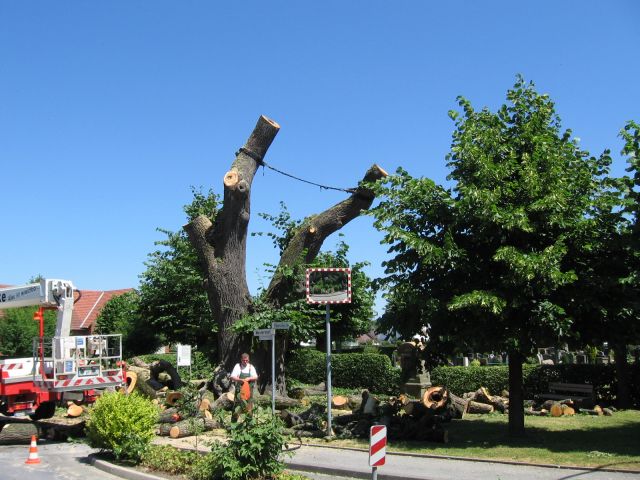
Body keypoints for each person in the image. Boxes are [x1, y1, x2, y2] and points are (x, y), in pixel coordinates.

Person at [230, 352, 258, 421]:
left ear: (248, 360)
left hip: (249, 392)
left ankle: (249, 426)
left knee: (249, 407)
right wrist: (240, 380)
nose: (245, 362)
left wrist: (249, 378)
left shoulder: (251, 367)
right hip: (239, 391)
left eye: (247, 360)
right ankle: (233, 425)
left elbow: (256, 377)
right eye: (243, 360)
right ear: (241, 360)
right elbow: (232, 377)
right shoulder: (237, 366)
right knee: (237, 407)